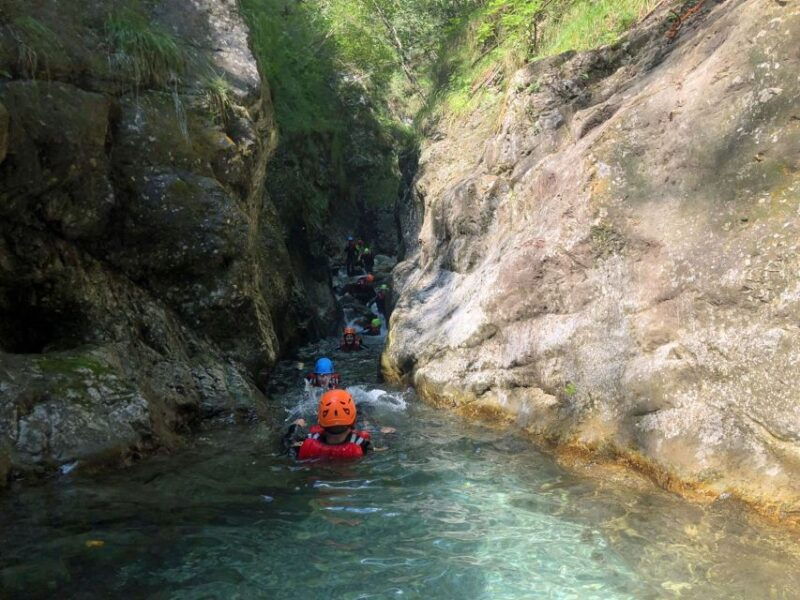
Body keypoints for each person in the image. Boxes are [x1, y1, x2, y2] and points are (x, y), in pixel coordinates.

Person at [283, 390, 371, 460]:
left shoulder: (307, 441)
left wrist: (294, 427)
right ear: (353, 421)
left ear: (319, 421)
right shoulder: (362, 445)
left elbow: (288, 443)